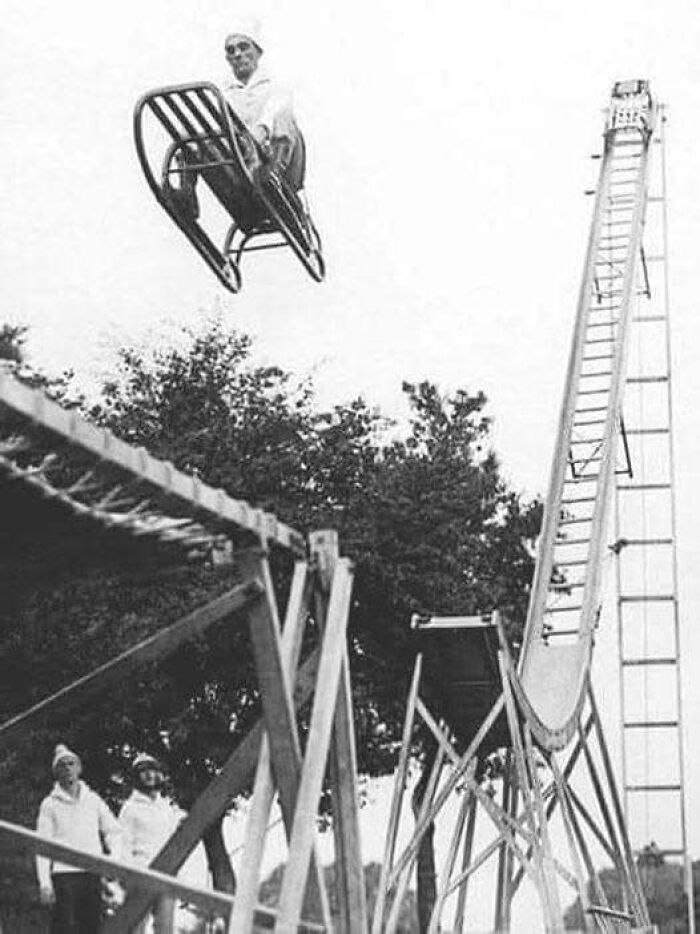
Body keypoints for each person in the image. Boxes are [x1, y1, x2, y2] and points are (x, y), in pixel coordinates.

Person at [36, 743, 122, 934]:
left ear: (79, 768)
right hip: (63, 875)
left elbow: (114, 831)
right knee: (63, 926)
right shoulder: (49, 804)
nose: (67, 768)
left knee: (91, 927)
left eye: (71, 763)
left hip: (91, 872)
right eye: (62, 765)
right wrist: (45, 883)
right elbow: (42, 846)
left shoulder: (93, 800)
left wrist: (112, 861)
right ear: (55, 772)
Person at [222, 16, 305, 191]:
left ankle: (274, 175)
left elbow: (277, 108)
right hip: (244, 162)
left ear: (258, 52)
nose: (237, 54)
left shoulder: (275, 84)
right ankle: (187, 190)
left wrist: (261, 131)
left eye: (244, 47)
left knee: (284, 117)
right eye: (231, 50)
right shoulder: (226, 94)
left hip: (277, 158)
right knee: (195, 129)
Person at [118, 753, 181, 934]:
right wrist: (126, 875)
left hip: (166, 875)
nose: (148, 775)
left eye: (152, 770)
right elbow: (124, 844)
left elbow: (174, 840)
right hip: (140, 872)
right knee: (136, 928)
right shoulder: (130, 808)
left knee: (165, 928)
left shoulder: (166, 807)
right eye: (143, 771)